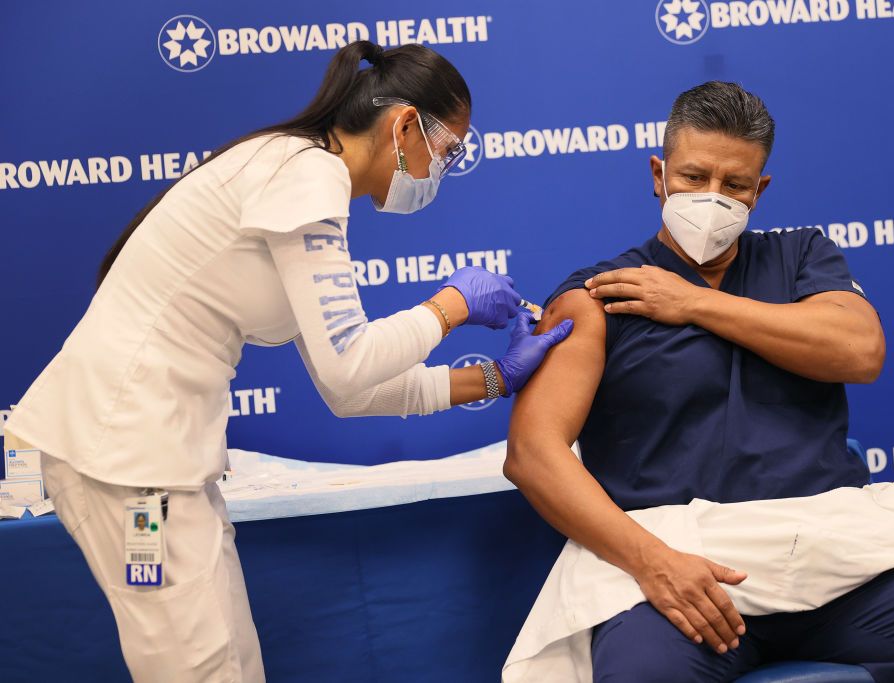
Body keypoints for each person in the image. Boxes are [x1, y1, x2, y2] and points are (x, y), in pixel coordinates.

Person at [3, 41, 571, 682]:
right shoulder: (305, 175)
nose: (445, 168)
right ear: (405, 125)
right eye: (450, 150)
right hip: (129, 469)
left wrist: (496, 379)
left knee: (232, 662)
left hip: (158, 466)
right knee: (194, 668)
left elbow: (349, 391)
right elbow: (352, 366)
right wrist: (450, 306)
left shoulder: (299, 178)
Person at [504, 81, 894, 682]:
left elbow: (860, 350)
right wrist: (655, 564)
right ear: (658, 173)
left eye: (735, 185)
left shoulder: (801, 258)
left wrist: (693, 303)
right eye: (694, 177)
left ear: (761, 190)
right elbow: (534, 454)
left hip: (836, 562)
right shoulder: (599, 295)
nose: (712, 197)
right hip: (685, 571)